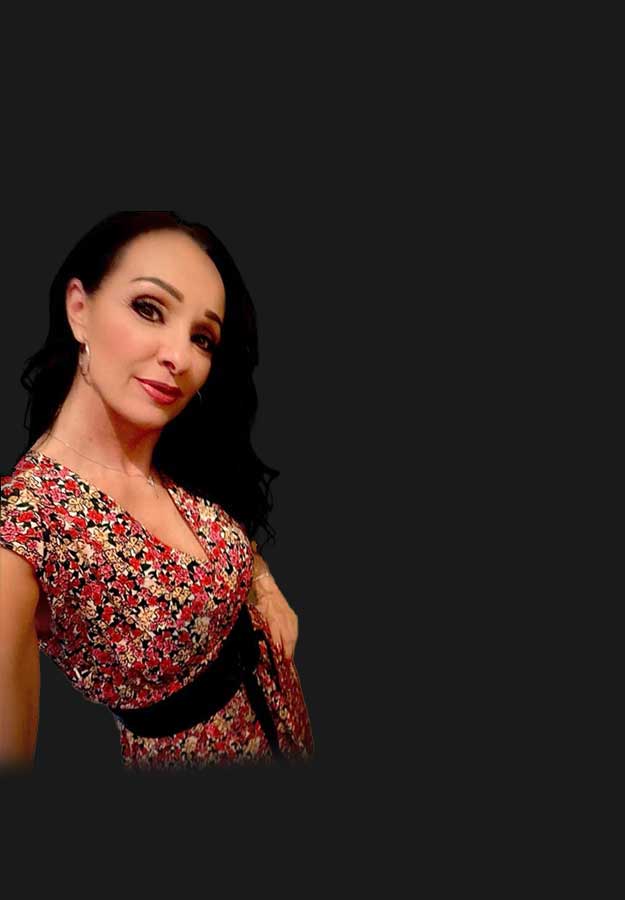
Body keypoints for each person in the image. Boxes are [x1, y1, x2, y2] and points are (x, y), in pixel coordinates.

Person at [0, 210, 314, 772]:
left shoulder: (174, 451)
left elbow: (218, 544)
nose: (181, 357)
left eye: (202, 338)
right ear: (79, 309)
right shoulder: (23, 526)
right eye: (149, 309)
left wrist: (262, 583)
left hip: (290, 727)